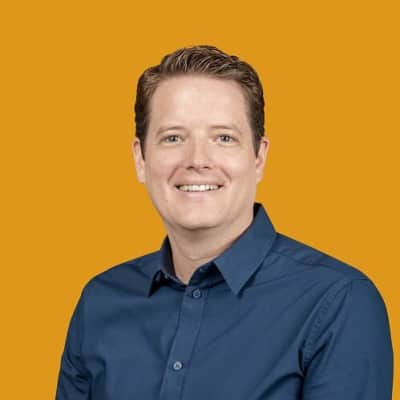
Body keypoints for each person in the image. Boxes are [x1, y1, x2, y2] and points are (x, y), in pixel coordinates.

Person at [55, 45, 393, 399]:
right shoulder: (100, 302)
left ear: (258, 157)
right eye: (173, 138)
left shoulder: (339, 303)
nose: (197, 160)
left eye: (224, 138)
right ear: (141, 159)